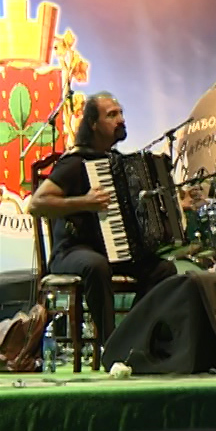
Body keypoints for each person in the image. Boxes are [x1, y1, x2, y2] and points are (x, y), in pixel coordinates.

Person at [29, 92, 177, 344]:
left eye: (121, 113)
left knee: (164, 269)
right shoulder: (75, 162)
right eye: (112, 115)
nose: (121, 119)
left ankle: (129, 338)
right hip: (72, 252)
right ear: (93, 124)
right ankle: (110, 345)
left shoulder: (118, 163)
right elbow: (36, 204)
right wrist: (84, 202)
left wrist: (176, 205)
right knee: (96, 265)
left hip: (112, 252)